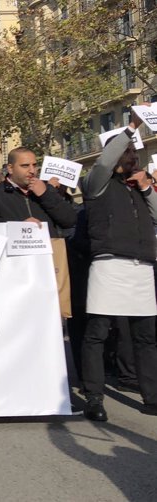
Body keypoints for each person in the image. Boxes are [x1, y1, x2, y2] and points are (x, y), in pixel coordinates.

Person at [79, 110, 157, 421]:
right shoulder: (97, 183)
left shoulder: (139, 188)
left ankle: (151, 397)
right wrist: (132, 127)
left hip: (141, 269)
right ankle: (94, 397)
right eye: (125, 152)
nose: (131, 157)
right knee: (96, 334)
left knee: (145, 337)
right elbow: (103, 162)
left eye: (133, 152)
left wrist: (147, 189)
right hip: (109, 266)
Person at [0, 148, 77, 237]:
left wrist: (46, 194)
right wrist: (20, 228)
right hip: (16, 258)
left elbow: (69, 221)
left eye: (34, 165)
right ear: (10, 168)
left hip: (49, 257)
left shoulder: (45, 190)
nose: (32, 170)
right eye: (25, 166)